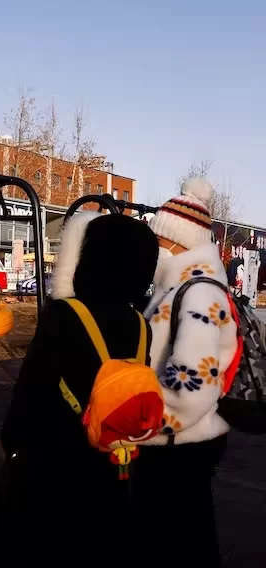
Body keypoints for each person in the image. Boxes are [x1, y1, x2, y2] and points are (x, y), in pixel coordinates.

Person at [0, 212, 159, 567]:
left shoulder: (63, 315)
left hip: (55, 465)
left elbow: (31, 392)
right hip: (111, 461)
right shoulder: (140, 324)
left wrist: (13, 444)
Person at [135, 178, 237, 567]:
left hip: (177, 441)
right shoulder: (182, 287)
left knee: (178, 539)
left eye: (159, 238)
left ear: (179, 241)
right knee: (189, 533)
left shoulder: (197, 292)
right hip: (180, 441)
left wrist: (146, 423)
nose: (154, 247)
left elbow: (193, 383)